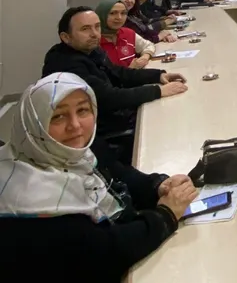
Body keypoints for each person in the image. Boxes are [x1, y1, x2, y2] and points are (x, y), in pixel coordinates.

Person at [0, 73, 198, 282]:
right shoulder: (30, 199)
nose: (75, 125)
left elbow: (118, 173)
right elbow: (105, 253)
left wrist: (157, 186)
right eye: (58, 116)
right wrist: (165, 216)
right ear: (33, 125)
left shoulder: (71, 150)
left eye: (82, 110)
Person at [42, 7, 188, 135]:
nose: (94, 34)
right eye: (85, 29)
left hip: (116, 116)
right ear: (66, 37)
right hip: (101, 130)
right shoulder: (66, 64)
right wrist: (158, 91)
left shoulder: (90, 50)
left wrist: (158, 75)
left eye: (97, 27)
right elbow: (108, 98)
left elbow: (118, 73)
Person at [96, 0, 155, 69]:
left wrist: (145, 57)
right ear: (102, 14)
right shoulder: (93, 41)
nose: (119, 17)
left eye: (123, 13)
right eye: (112, 13)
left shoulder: (128, 33)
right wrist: (130, 69)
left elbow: (148, 45)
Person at [108, 0, 177, 44]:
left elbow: (146, 29)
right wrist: (159, 36)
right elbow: (136, 41)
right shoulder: (116, 19)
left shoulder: (132, 15)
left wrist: (162, 34)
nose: (129, 0)